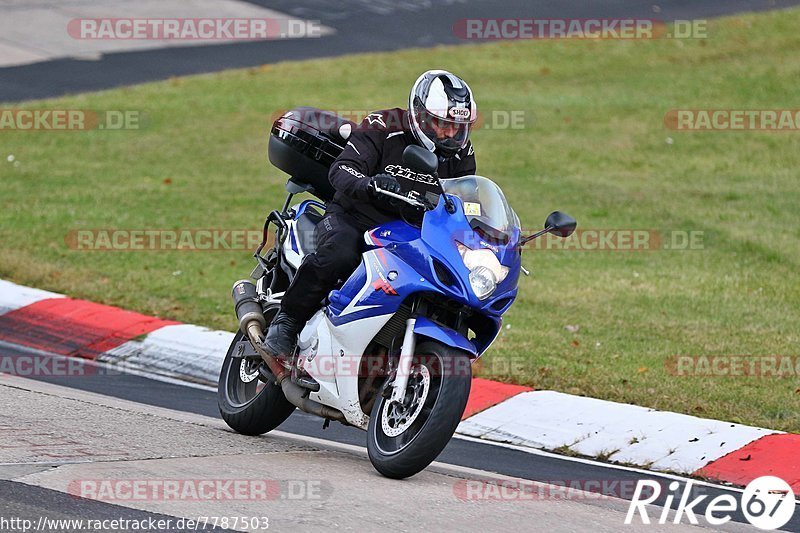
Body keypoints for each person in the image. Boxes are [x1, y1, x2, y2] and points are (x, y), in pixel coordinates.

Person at [263, 69, 478, 362]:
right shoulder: (383, 126)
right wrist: (370, 184)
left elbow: (462, 199)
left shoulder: (461, 154)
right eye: (442, 123)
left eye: (457, 125)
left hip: (407, 232)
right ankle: (286, 321)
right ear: (420, 115)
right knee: (339, 253)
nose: (450, 133)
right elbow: (342, 169)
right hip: (355, 216)